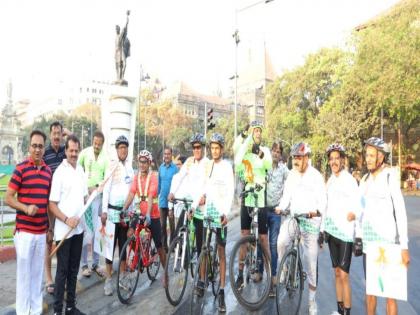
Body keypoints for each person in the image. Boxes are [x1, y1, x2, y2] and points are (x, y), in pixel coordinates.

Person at [359, 137, 410, 315]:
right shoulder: (364, 180)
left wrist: (404, 246)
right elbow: (360, 210)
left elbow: (400, 212)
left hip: (388, 244)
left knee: (390, 295)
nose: (368, 159)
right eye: (367, 155)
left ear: (381, 157)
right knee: (370, 293)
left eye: (372, 155)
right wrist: (357, 236)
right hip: (369, 245)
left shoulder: (390, 177)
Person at [275, 142, 327, 315]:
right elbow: (286, 197)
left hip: (311, 223)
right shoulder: (291, 175)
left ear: (307, 158)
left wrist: (321, 227)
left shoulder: (316, 176)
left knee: (311, 264)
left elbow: (323, 204)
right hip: (294, 218)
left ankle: (312, 302)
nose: (296, 161)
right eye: (294, 158)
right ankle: (284, 270)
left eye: (299, 157)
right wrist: (280, 207)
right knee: (281, 241)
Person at [5, 130, 52, 315]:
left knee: (37, 275)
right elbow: (8, 198)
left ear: (44, 148)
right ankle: (23, 312)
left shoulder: (48, 172)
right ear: (29, 147)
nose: (38, 149)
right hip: (24, 232)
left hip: (41, 233)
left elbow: (48, 203)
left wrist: (49, 229)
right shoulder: (21, 168)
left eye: (41, 146)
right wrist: (25, 208)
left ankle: (36, 310)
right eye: (34, 145)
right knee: (24, 277)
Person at [193, 133, 234, 312]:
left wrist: (225, 213)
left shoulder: (226, 167)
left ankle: (223, 291)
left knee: (221, 252)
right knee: (203, 249)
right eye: (212, 148)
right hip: (207, 213)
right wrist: (194, 205)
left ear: (222, 149)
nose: (214, 151)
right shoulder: (208, 165)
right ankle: (202, 281)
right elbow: (202, 187)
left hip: (221, 215)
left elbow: (231, 190)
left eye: (217, 148)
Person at [49, 135, 88, 315]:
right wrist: (66, 220)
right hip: (64, 230)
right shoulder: (59, 173)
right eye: (70, 150)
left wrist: (95, 192)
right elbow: (52, 204)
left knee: (74, 270)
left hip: (78, 230)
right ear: (65, 151)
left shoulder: (80, 169)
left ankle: (70, 307)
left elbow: (84, 197)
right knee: (62, 273)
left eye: (76, 150)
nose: (73, 153)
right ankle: (58, 310)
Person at [322, 144, 360, 315]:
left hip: (345, 234)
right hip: (331, 233)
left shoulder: (350, 180)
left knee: (344, 275)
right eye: (331, 159)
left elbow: (360, 205)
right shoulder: (329, 181)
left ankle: (347, 312)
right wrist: (322, 230)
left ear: (342, 160)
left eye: (337, 158)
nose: (334, 162)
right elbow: (325, 207)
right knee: (336, 273)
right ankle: (339, 310)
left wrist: (355, 218)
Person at [233, 121, 272, 288]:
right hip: (247, 198)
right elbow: (236, 155)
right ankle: (240, 274)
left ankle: (271, 274)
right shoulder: (245, 155)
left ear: (261, 134)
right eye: (254, 131)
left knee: (263, 239)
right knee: (244, 236)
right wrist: (245, 136)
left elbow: (268, 164)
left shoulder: (266, 151)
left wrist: (260, 153)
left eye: (258, 131)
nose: (256, 133)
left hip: (261, 199)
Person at [122, 150, 167, 285]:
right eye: (140, 162)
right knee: (130, 233)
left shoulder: (154, 176)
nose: (142, 165)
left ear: (149, 163)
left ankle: (165, 273)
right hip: (140, 213)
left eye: (144, 162)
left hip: (152, 215)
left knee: (159, 246)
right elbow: (131, 193)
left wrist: (148, 214)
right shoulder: (136, 177)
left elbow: (152, 196)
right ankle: (137, 257)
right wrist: (123, 209)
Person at [101, 135, 134, 296]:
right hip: (112, 214)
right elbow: (106, 189)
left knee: (123, 248)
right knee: (109, 249)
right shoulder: (111, 166)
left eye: (125, 147)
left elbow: (132, 192)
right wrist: (104, 211)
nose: (123, 150)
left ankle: (122, 278)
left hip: (125, 215)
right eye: (121, 147)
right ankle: (108, 280)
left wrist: (133, 214)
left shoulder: (130, 168)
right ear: (117, 150)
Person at [168, 133, 210, 260]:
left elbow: (208, 183)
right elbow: (178, 177)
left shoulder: (208, 163)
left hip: (201, 205)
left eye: (199, 147)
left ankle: (203, 275)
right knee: (178, 231)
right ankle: (181, 252)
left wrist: (205, 196)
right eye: (194, 147)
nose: (196, 150)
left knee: (201, 244)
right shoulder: (189, 161)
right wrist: (172, 192)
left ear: (203, 148)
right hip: (190, 203)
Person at [43, 121, 72, 294]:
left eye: (59, 133)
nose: (56, 136)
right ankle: (49, 279)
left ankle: (62, 277)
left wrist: (68, 132)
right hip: (48, 204)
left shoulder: (64, 150)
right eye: (53, 133)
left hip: (63, 203)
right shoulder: (45, 152)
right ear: (50, 134)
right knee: (48, 240)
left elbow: (76, 147)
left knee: (63, 242)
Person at [78, 130, 109, 278]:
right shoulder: (84, 153)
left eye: (99, 144)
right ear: (92, 142)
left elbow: (106, 179)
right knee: (85, 230)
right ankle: (84, 265)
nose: (97, 146)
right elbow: (77, 172)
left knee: (97, 232)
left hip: (98, 198)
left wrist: (99, 189)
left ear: (102, 144)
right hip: (85, 198)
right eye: (95, 143)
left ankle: (96, 263)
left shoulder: (105, 158)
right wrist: (85, 189)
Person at [262, 141, 289, 296]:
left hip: (276, 212)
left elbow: (290, 185)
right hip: (263, 210)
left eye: (279, 151)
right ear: (271, 151)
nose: (276, 153)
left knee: (273, 245)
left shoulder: (284, 170)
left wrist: (285, 206)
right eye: (274, 150)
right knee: (261, 242)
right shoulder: (264, 166)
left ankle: (273, 279)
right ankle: (259, 272)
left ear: (281, 154)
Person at [158, 147, 178, 252]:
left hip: (172, 203)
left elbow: (177, 185)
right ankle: (164, 248)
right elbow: (159, 185)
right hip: (162, 202)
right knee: (162, 226)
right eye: (165, 154)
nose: (166, 156)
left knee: (172, 226)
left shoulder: (175, 169)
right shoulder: (160, 168)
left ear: (171, 155)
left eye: (168, 154)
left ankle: (172, 247)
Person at [115, 11, 131, 82]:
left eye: (117, 29)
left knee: (124, 65)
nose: (116, 30)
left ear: (119, 29)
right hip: (117, 53)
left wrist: (127, 17)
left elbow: (125, 26)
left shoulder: (121, 35)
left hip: (121, 52)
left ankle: (121, 78)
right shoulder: (116, 37)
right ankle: (119, 78)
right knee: (118, 66)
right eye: (116, 29)